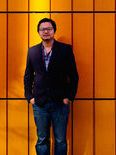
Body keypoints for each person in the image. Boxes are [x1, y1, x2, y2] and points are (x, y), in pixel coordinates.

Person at [24, 18, 79, 155]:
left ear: (54, 31)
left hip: (60, 102)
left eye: (49, 29)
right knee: (42, 139)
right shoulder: (32, 51)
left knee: (60, 140)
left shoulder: (65, 49)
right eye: (43, 29)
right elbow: (28, 76)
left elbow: (74, 76)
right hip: (40, 103)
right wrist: (29, 97)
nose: (46, 31)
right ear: (38, 32)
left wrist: (69, 98)